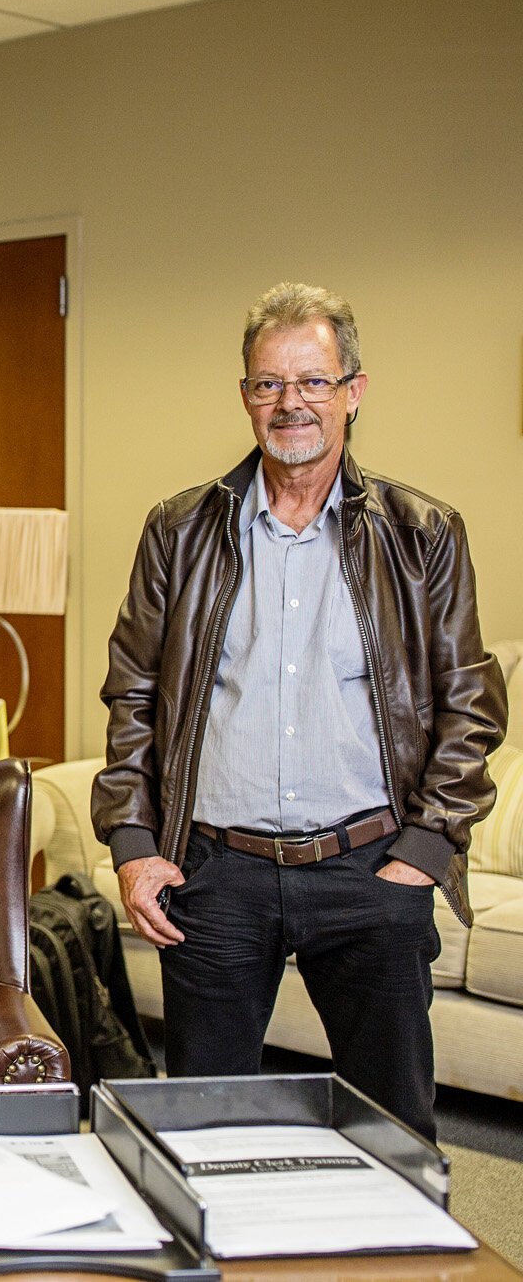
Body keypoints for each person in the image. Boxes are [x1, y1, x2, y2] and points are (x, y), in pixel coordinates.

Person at [93, 283, 505, 1141]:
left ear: (354, 390)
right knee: (203, 1134)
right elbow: (134, 690)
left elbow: (471, 702)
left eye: (313, 382)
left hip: (369, 869)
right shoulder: (180, 530)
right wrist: (134, 847)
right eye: (268, 384)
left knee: (393, 1133)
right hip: (215, 873)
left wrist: (424, 854)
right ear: (245, 396)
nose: (291, 404)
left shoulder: (422, 532)